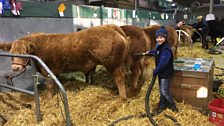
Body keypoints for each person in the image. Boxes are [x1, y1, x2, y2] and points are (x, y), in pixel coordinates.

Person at [146, 26, 178, 114]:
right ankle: (162, 105)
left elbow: (163, 62)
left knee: (164, 91)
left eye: (161, 37)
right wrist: (150, 52)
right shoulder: (160, 47)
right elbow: (157, 52)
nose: (159, 39)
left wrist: (156, 70)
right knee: (161, 90)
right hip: (161, 73)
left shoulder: (166, 49)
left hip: (166, 74)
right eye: (157, 37)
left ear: (165, 38)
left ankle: (173, 106)